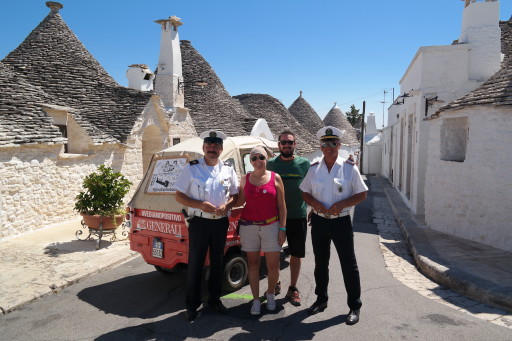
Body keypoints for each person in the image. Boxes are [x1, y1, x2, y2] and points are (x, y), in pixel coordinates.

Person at [299, 126, 368, 325]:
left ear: (339, 145)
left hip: (341, 222)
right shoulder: (314, 169)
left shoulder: (348, 168)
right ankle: (321, 300)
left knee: (349, 265)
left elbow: (362, 194)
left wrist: (342, 204)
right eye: (324, 144)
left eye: (332, 143)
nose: (328, 147)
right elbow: (304, 192)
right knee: (321, 264)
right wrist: (315, 204)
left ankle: (354, 306)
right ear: (320, 146)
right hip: (319, 221)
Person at [174, 130, 239, 322]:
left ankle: (214, 300)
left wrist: (227, 205)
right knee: (195, 263)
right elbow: (179, 195)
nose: (212, 149)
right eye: (209, 145)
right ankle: (192, 304)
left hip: (220, 222)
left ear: (221, 149)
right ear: (203, 148)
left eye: (216, 145)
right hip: (199, 222)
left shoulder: (228, 168)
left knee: (218, 262)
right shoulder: (192, 168)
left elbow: (235, 194)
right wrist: (199, 205)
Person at [233, 146, 287, 315]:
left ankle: (270, 294)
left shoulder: (275, 178)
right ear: (250, 161)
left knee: (273, 265)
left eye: (261, 157)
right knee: (253, 265)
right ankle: (255, 299)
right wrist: (223, 204)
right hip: (249, 227)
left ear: (266, 159)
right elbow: (239, 201)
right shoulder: (244, 179)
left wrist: (282, 228)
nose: (258, 161)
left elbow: (282, 206)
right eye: (254, 158)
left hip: (271, 225)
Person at [266, 131, 310, 306]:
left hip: (297, 216)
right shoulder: (270, 164)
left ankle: (293, 288)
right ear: (278, 145)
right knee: (274, 254)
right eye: (283, 142)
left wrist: (313, 208)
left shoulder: (304, 164)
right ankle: (275, 284)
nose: (286, 145)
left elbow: (312, 186)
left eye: (290, 142)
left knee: (296, 255)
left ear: (295, 145)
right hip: (275, 218)